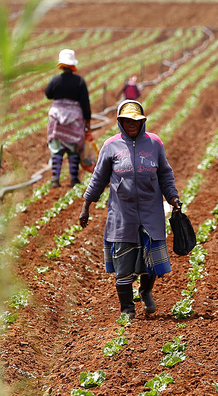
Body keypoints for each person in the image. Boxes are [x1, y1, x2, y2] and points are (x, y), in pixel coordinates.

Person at [79, 100, 182, 319]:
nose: (131, 124)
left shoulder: (154, 144)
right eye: (126, 121)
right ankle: (127, 308)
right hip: (122, 213)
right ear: (120, 122)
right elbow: (98, 178)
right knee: (123, 262)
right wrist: (86, 205)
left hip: (150, 211)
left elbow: (165, 173)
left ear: (142, 121)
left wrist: (173, 197)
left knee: (150, 261)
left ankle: (145, 290)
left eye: (135, 120)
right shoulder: (110, 146)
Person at [44, 49, 91, 187]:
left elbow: (48, 94)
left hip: (57, 118)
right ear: (72, 66)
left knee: (56, 149)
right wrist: (87, 119)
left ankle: (55, 179)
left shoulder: (55, 80)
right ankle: (74, 179)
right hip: (74, 119)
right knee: (73, 148)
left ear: (61, 65)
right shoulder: (79, 81)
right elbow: (85, 102)